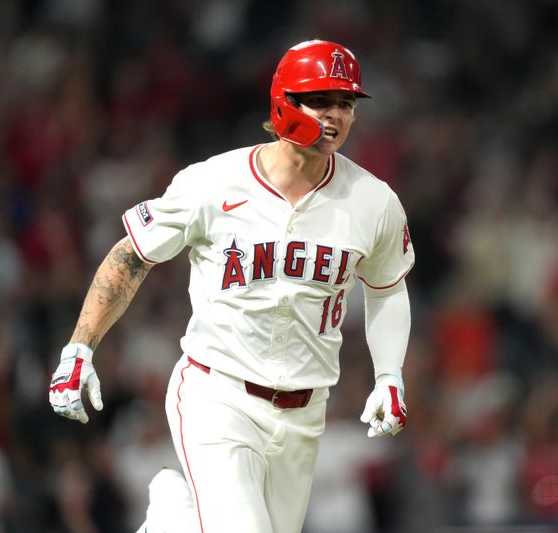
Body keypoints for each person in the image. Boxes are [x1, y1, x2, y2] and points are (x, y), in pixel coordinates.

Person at [49, 39, 415, 533]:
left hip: (305, 414)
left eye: (346, 103)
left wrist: (389, 375)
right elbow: (132, 255)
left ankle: (173, 522)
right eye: (321, 100)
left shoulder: (374, 201)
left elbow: (388, 287)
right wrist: (79, 348)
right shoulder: (214, 183)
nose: (336, 115)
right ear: (284, 101)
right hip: (217, 394)